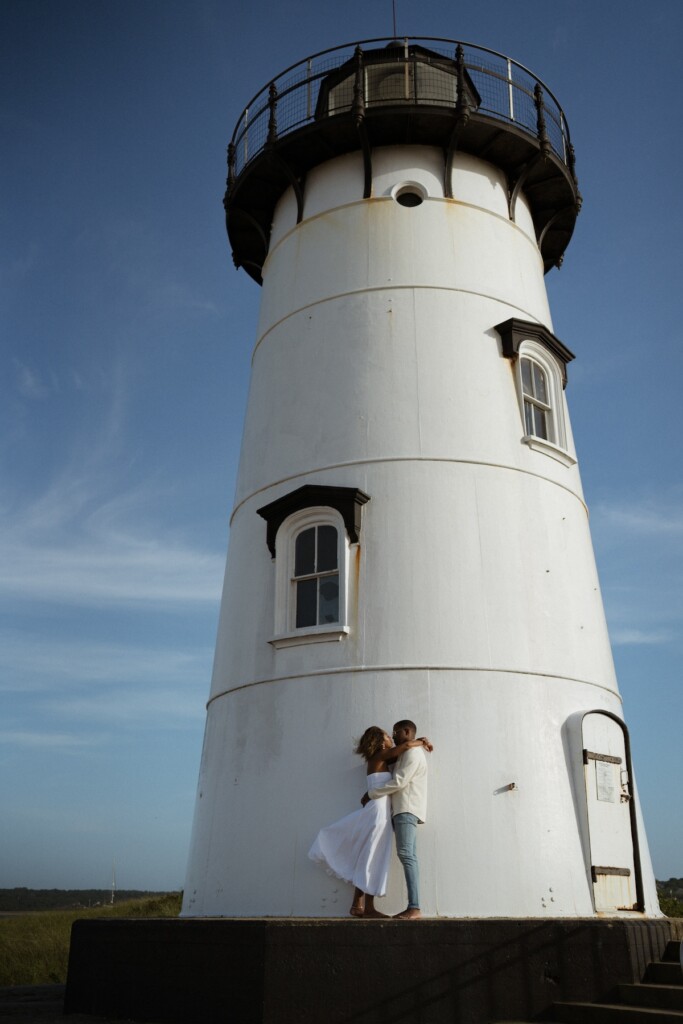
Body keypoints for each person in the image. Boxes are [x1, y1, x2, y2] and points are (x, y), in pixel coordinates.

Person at [308, 726, 431, 918]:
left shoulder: (381, 758)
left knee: (371, 854)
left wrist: (416, 743)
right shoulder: (381, 755)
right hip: (377, 811)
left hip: (379, 810)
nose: (391, 737)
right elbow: (406, 746)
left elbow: (404, 751)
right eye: (387, 736)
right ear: (381, 743)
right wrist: (422, 742)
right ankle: (363, 906)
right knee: (371, 855)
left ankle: (361, 905)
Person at [361, 719, 428, 920]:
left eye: (396, 732)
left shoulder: (413, 753)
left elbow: (399, 782)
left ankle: (414, 907)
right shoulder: (405, 752)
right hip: (400, 809)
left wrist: (371, 793)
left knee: (407, 855)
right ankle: (411, 906)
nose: (393, 735)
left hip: (406, 809)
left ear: (407, 731)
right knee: (407, 855)